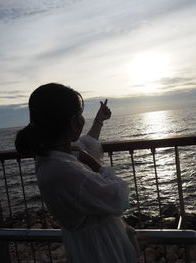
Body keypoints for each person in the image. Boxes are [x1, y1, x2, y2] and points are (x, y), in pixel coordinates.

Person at [15, 83, 138, 263]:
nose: (82, 118)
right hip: (101, 250)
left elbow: (85, 145)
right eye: (80, 114)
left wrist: (99, 121)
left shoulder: (51, 157)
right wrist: (96, 165)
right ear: (73, 122)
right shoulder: (64, 171)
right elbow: (119, 198)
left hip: (85, 247)